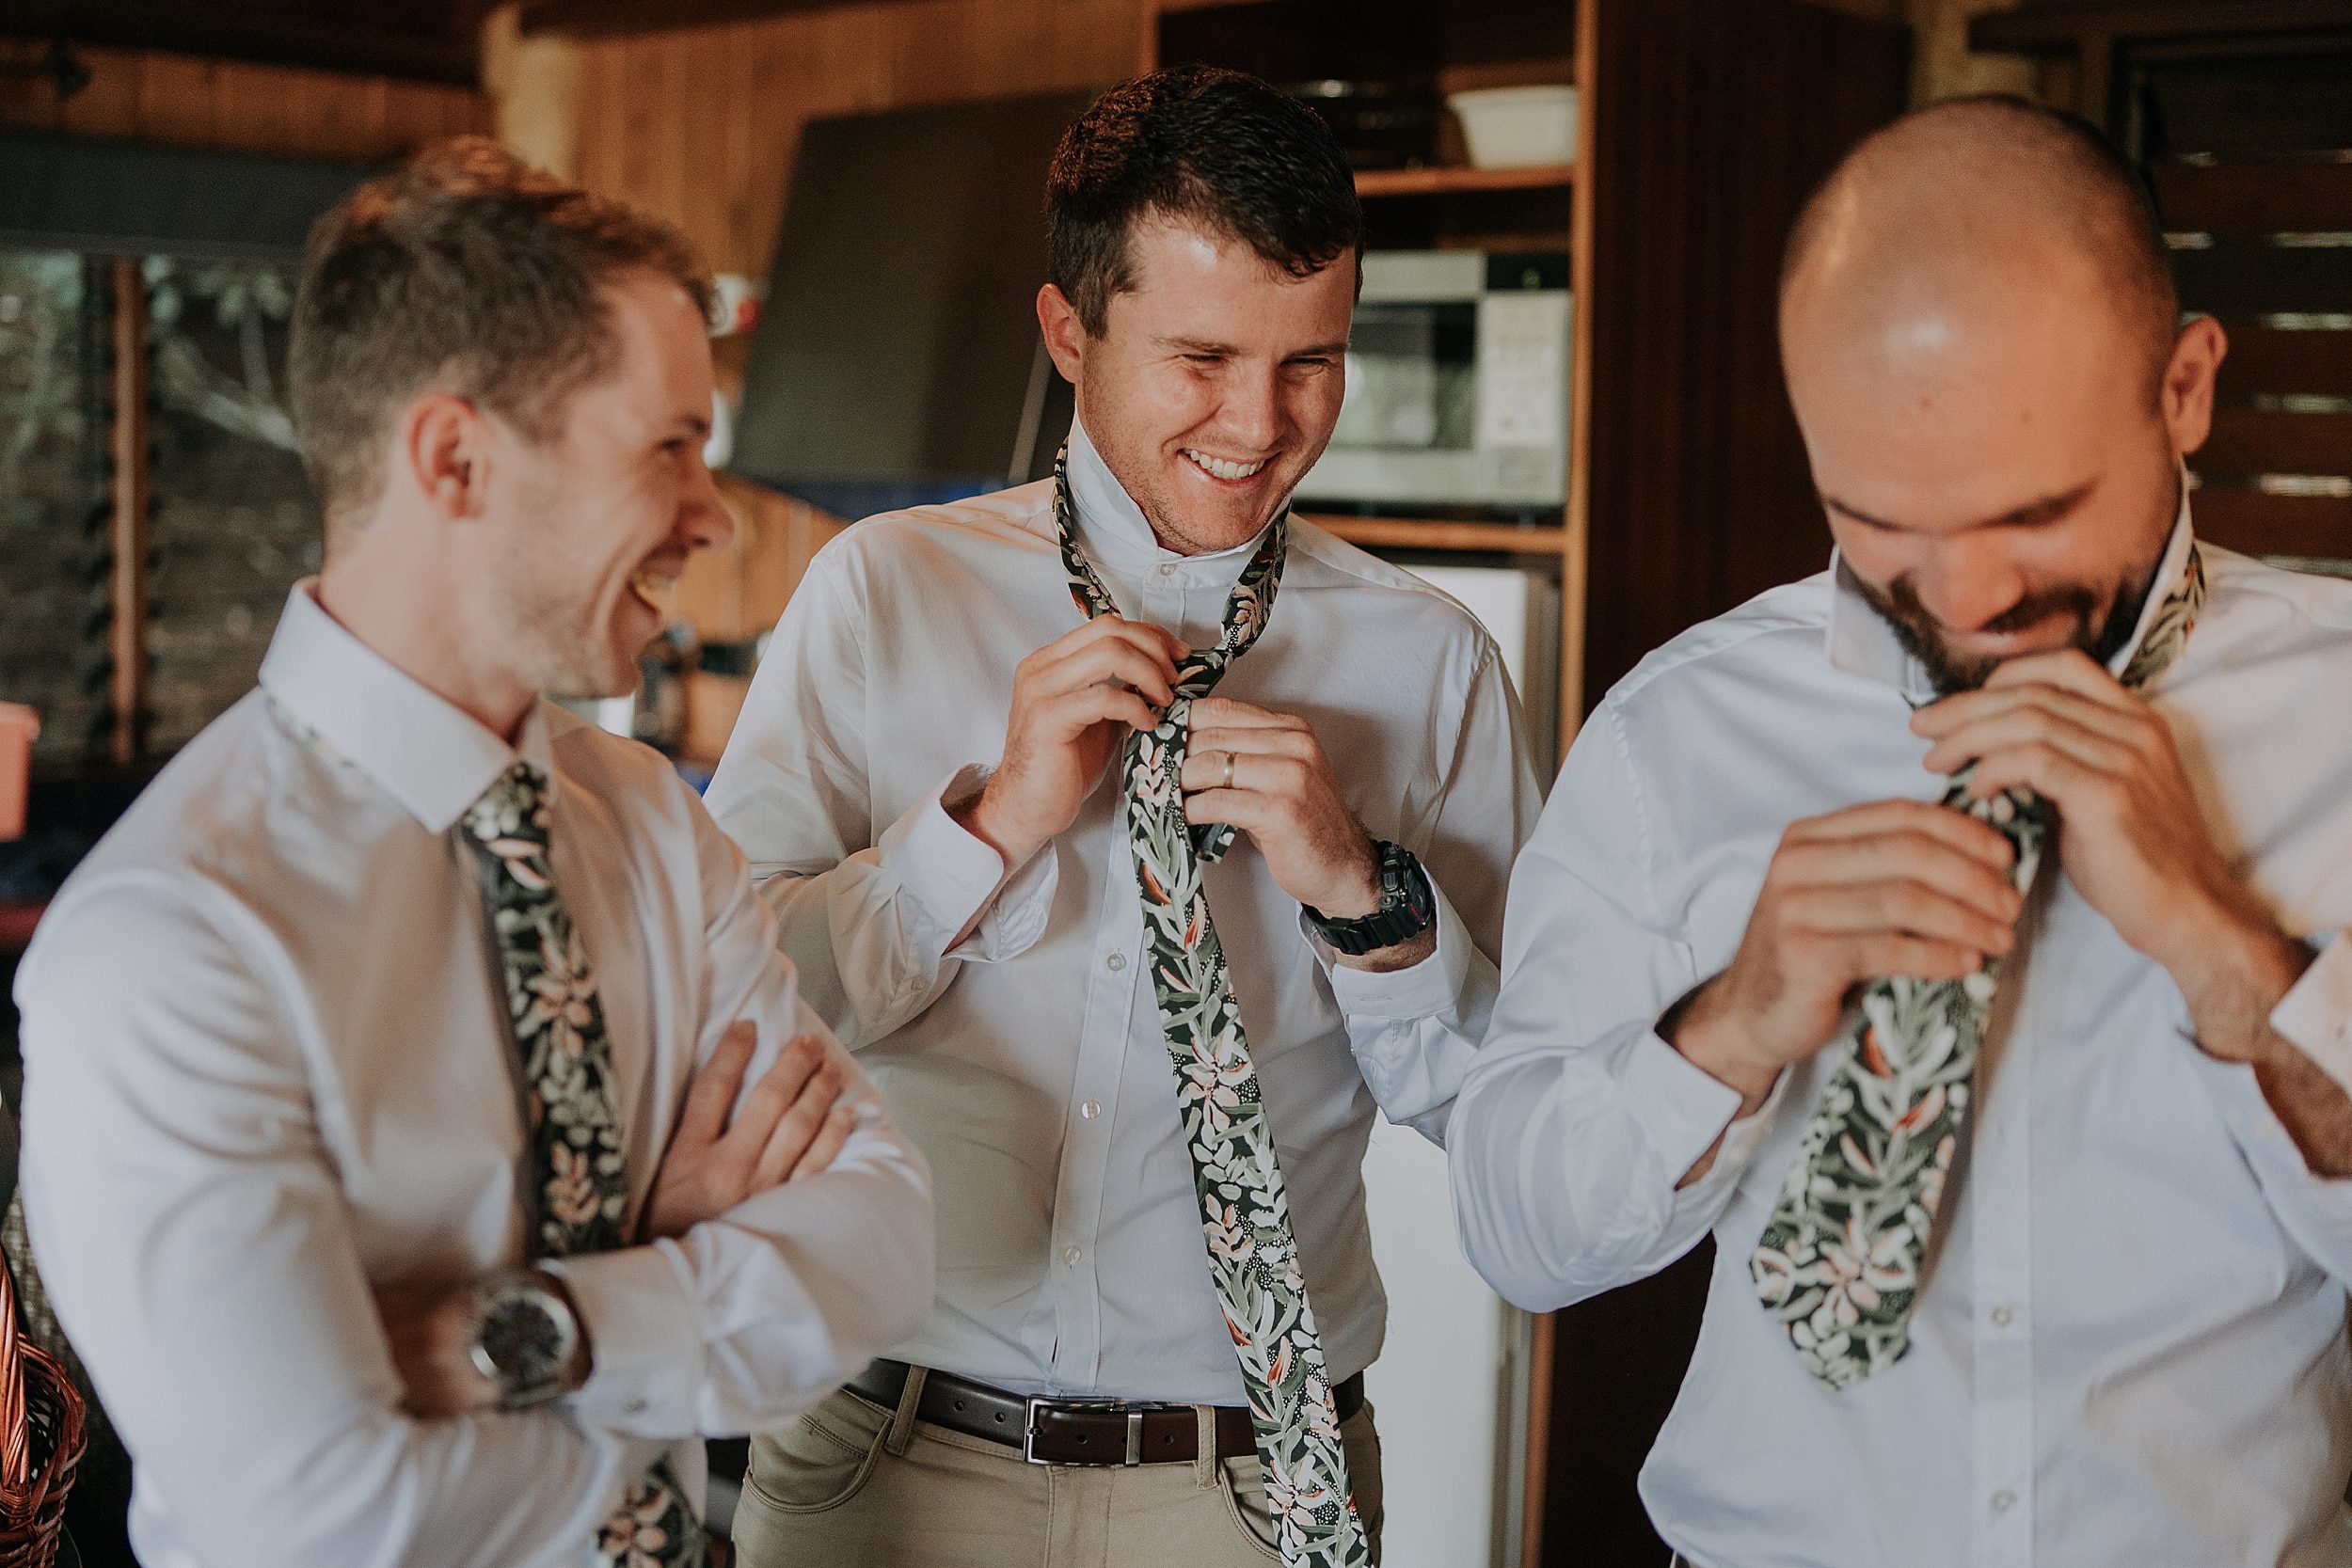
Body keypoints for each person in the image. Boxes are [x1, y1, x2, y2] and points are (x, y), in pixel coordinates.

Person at [1451, 96, 2352, 1568]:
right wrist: (1729, 1027)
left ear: (2185, 390)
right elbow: (1518, 1235)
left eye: (2033, 513)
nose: (1966, 598)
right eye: (1879, 521)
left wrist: (2219, 939)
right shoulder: (1683, 730)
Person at [12, 139, 933, 1568]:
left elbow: (879, 1248)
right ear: (455, 457)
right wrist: (673, 1280)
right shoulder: (174, 938)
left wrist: (540, 1325)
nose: (716, 513)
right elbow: (321, 1519)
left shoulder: (651, 823)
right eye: (671, 446)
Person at [707, 65, 1540, 1568]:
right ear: (1068, 332)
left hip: (1241, 1483)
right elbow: (736, 1020)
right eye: (1204, 357)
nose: (1262, 423)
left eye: (1313, 363)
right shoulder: (881, 596)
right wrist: (985, 828)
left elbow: (1522, 1124)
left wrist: (1368, 900)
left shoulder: (1431, 662)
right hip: (882, 1455)